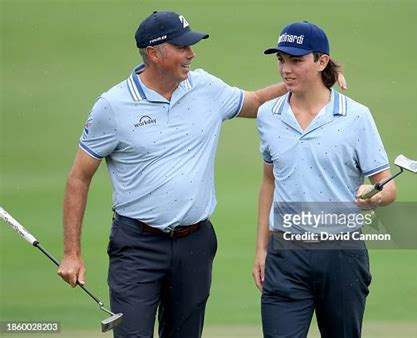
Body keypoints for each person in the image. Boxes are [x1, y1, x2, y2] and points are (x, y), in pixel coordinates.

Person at [55, 10, 291, 338]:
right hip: (136, 246)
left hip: (195, 244)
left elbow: (256, 101)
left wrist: (301, 80)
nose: (191, 54)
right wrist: (72, 252)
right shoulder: (112, 106)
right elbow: (78, 177)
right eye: (181, 47)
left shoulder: (205, 87)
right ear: (153, 53)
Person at [252, 21, 397, 338]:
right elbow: (269, 182)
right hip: (285, 253)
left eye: (296, 60)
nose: (286, 69)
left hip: (341, 253)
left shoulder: (356, 116)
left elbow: (387, 186)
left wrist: (374, 195)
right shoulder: (268, 115)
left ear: (321, 61)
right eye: (281, 60)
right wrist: (261, 249)